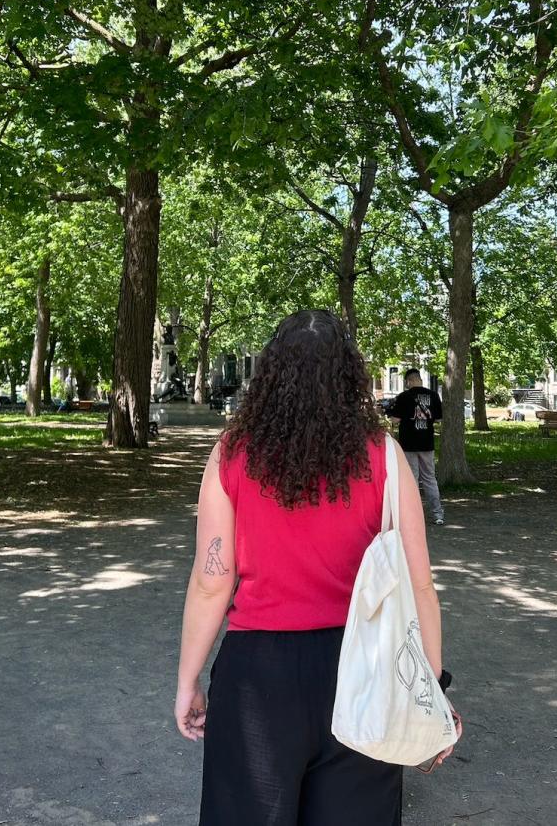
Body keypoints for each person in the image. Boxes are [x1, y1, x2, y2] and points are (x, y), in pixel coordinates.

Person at [174, 310, 454, 825]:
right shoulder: (386, 458)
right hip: (361, 668)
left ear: (270, 375)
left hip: (257, 672)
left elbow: (211, 583)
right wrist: (431, 687)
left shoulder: (231, 456)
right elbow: (419, 586)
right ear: (350, 375)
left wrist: (188, 680)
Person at [388, 368, 446, 526]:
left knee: (412, 480)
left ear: (409, 381)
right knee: (429, 478)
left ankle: (412, 516)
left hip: (408, 444)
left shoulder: (403, 397)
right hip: (427, 443)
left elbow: (394, 420)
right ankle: (437, 514)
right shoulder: (433, 396)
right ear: (419, 379)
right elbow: (439, 419)